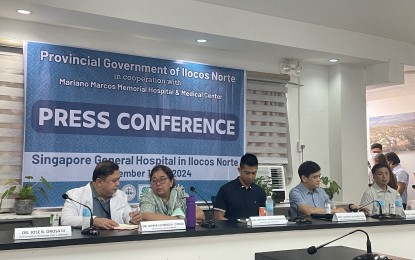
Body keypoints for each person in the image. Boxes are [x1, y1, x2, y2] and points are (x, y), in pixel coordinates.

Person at [61, 161, 141, 229]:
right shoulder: (75, 195)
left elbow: (126, 214)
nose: (118, 184)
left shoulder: (120, 195)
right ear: (99, 182)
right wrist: (93, 221)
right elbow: (66, 220)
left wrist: (132, 219)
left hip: (115, 242)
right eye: (114, 181)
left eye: (118, 180)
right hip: (87, 242)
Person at [289, 161, 367, 218]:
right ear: (304, 178)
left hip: (324, 227)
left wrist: (351, 208)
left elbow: (334, 209)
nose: (319, 180)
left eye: (319, 176)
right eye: (315, 177)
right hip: (304, 230)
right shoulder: (295, 192)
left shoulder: (320, 191)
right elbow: (307, 211)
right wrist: (334, 211)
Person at [140, 165, 205, 221]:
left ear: (171, 182)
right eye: (154, 180)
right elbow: (146, 216)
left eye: (162, 180)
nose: (158, 183)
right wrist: (179, 220)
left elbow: (200, 214)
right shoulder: (148, 197)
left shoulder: (180, 194)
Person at [213, 153, 266, 221]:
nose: (250, 177)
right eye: (247, 173)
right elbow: (218, 218)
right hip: (232, 230)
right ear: (239, 170)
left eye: (253, 173)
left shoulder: (260, 192)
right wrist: (236, 226)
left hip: (254, 230)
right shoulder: (226, 190)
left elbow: (263, 218)